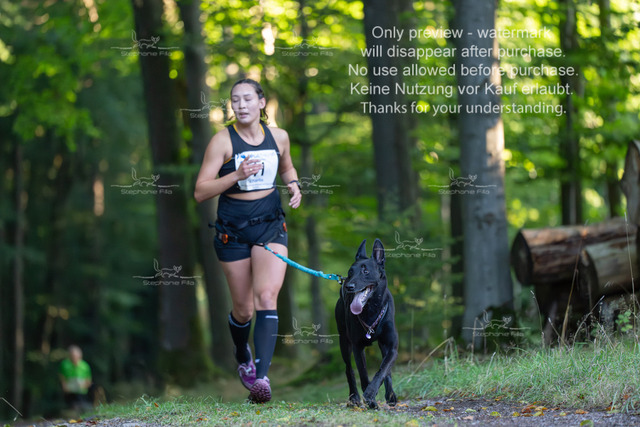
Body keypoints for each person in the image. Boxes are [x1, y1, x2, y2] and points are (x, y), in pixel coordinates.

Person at [194, 78, 301, 403]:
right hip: (233, 231)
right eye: (235, 100)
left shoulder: (279, 137)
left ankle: (262, 378)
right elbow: (200, 191)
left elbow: (287, 167)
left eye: (247, 99)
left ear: (261, 102)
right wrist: (236, 176)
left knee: (267, 295)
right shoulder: (222, 141)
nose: (241, 105)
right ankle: (242, 352)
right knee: (243, 309)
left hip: (270, 225)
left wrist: (294, 185)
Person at [59, 345, 93, 412]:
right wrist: (64, 386)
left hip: (82, 393)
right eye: (72, 356)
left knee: (82, 407)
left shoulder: (85, 366)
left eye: (76, 356)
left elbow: (88, 380)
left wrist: (84, 386)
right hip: (70, 392)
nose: (74, 358)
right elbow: (61, 376)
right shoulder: (64, 364)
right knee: (71, 408)